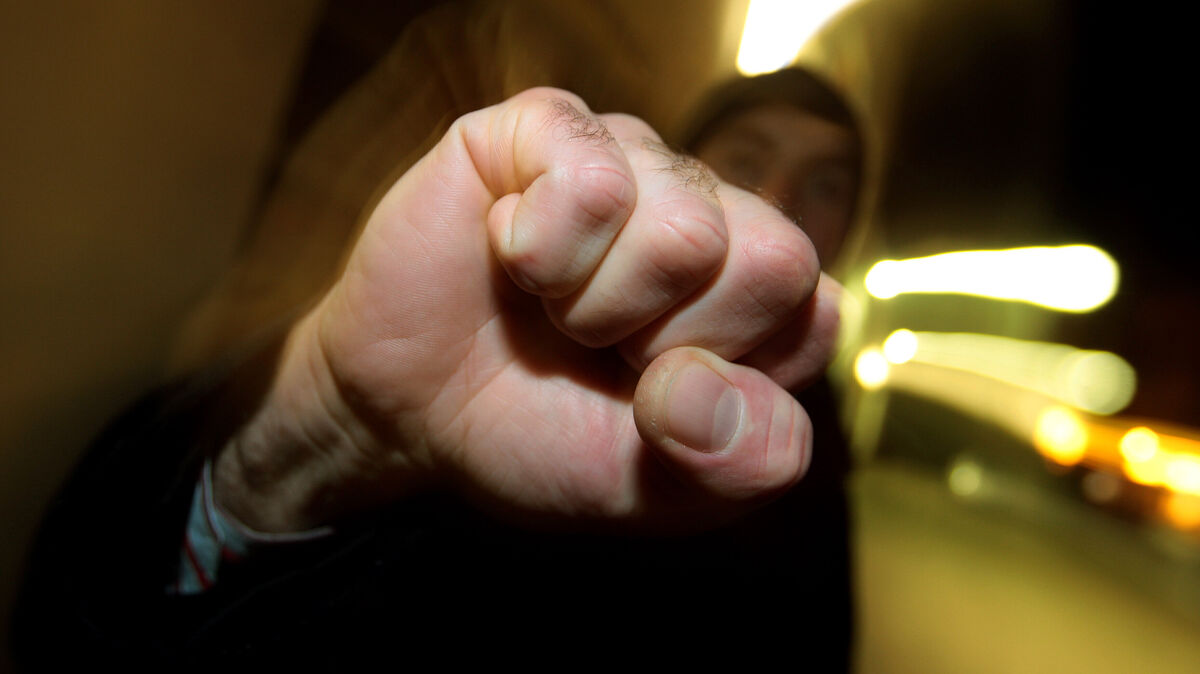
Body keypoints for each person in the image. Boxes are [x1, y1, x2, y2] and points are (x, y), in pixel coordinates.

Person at [11, 10, 860, 671]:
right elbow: (81, 629)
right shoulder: (525, 343)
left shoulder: (817, 473)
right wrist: (338, 425)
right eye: (749, 153)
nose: (781, 193)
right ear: (691, 167)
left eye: (825, 184)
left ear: (849, 230)